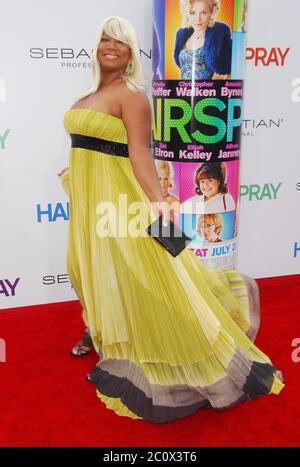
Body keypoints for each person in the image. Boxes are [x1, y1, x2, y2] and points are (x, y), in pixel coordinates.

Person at [58, 15, 284, 424]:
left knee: (143, 271)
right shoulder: (90, 93)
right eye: (105, 39)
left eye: (121, 42)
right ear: (97, 47)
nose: (111, 46)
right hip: (90, 201)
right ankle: (99, 327)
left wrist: (160, 200)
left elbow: (140, 154)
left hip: (121, 200)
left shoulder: (131, 95)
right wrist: (74, 174)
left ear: (129, 55)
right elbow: (87, 147)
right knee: (82, 268)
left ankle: (169, 335)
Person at [174, 0, 232, 80]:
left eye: (203, 13)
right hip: (181, 90)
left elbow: (229, 68)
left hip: (205, 90)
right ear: (187, 13)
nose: (198, 19)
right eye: (192, 13)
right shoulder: (183, 36)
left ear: (211, 13)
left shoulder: (217, 38)